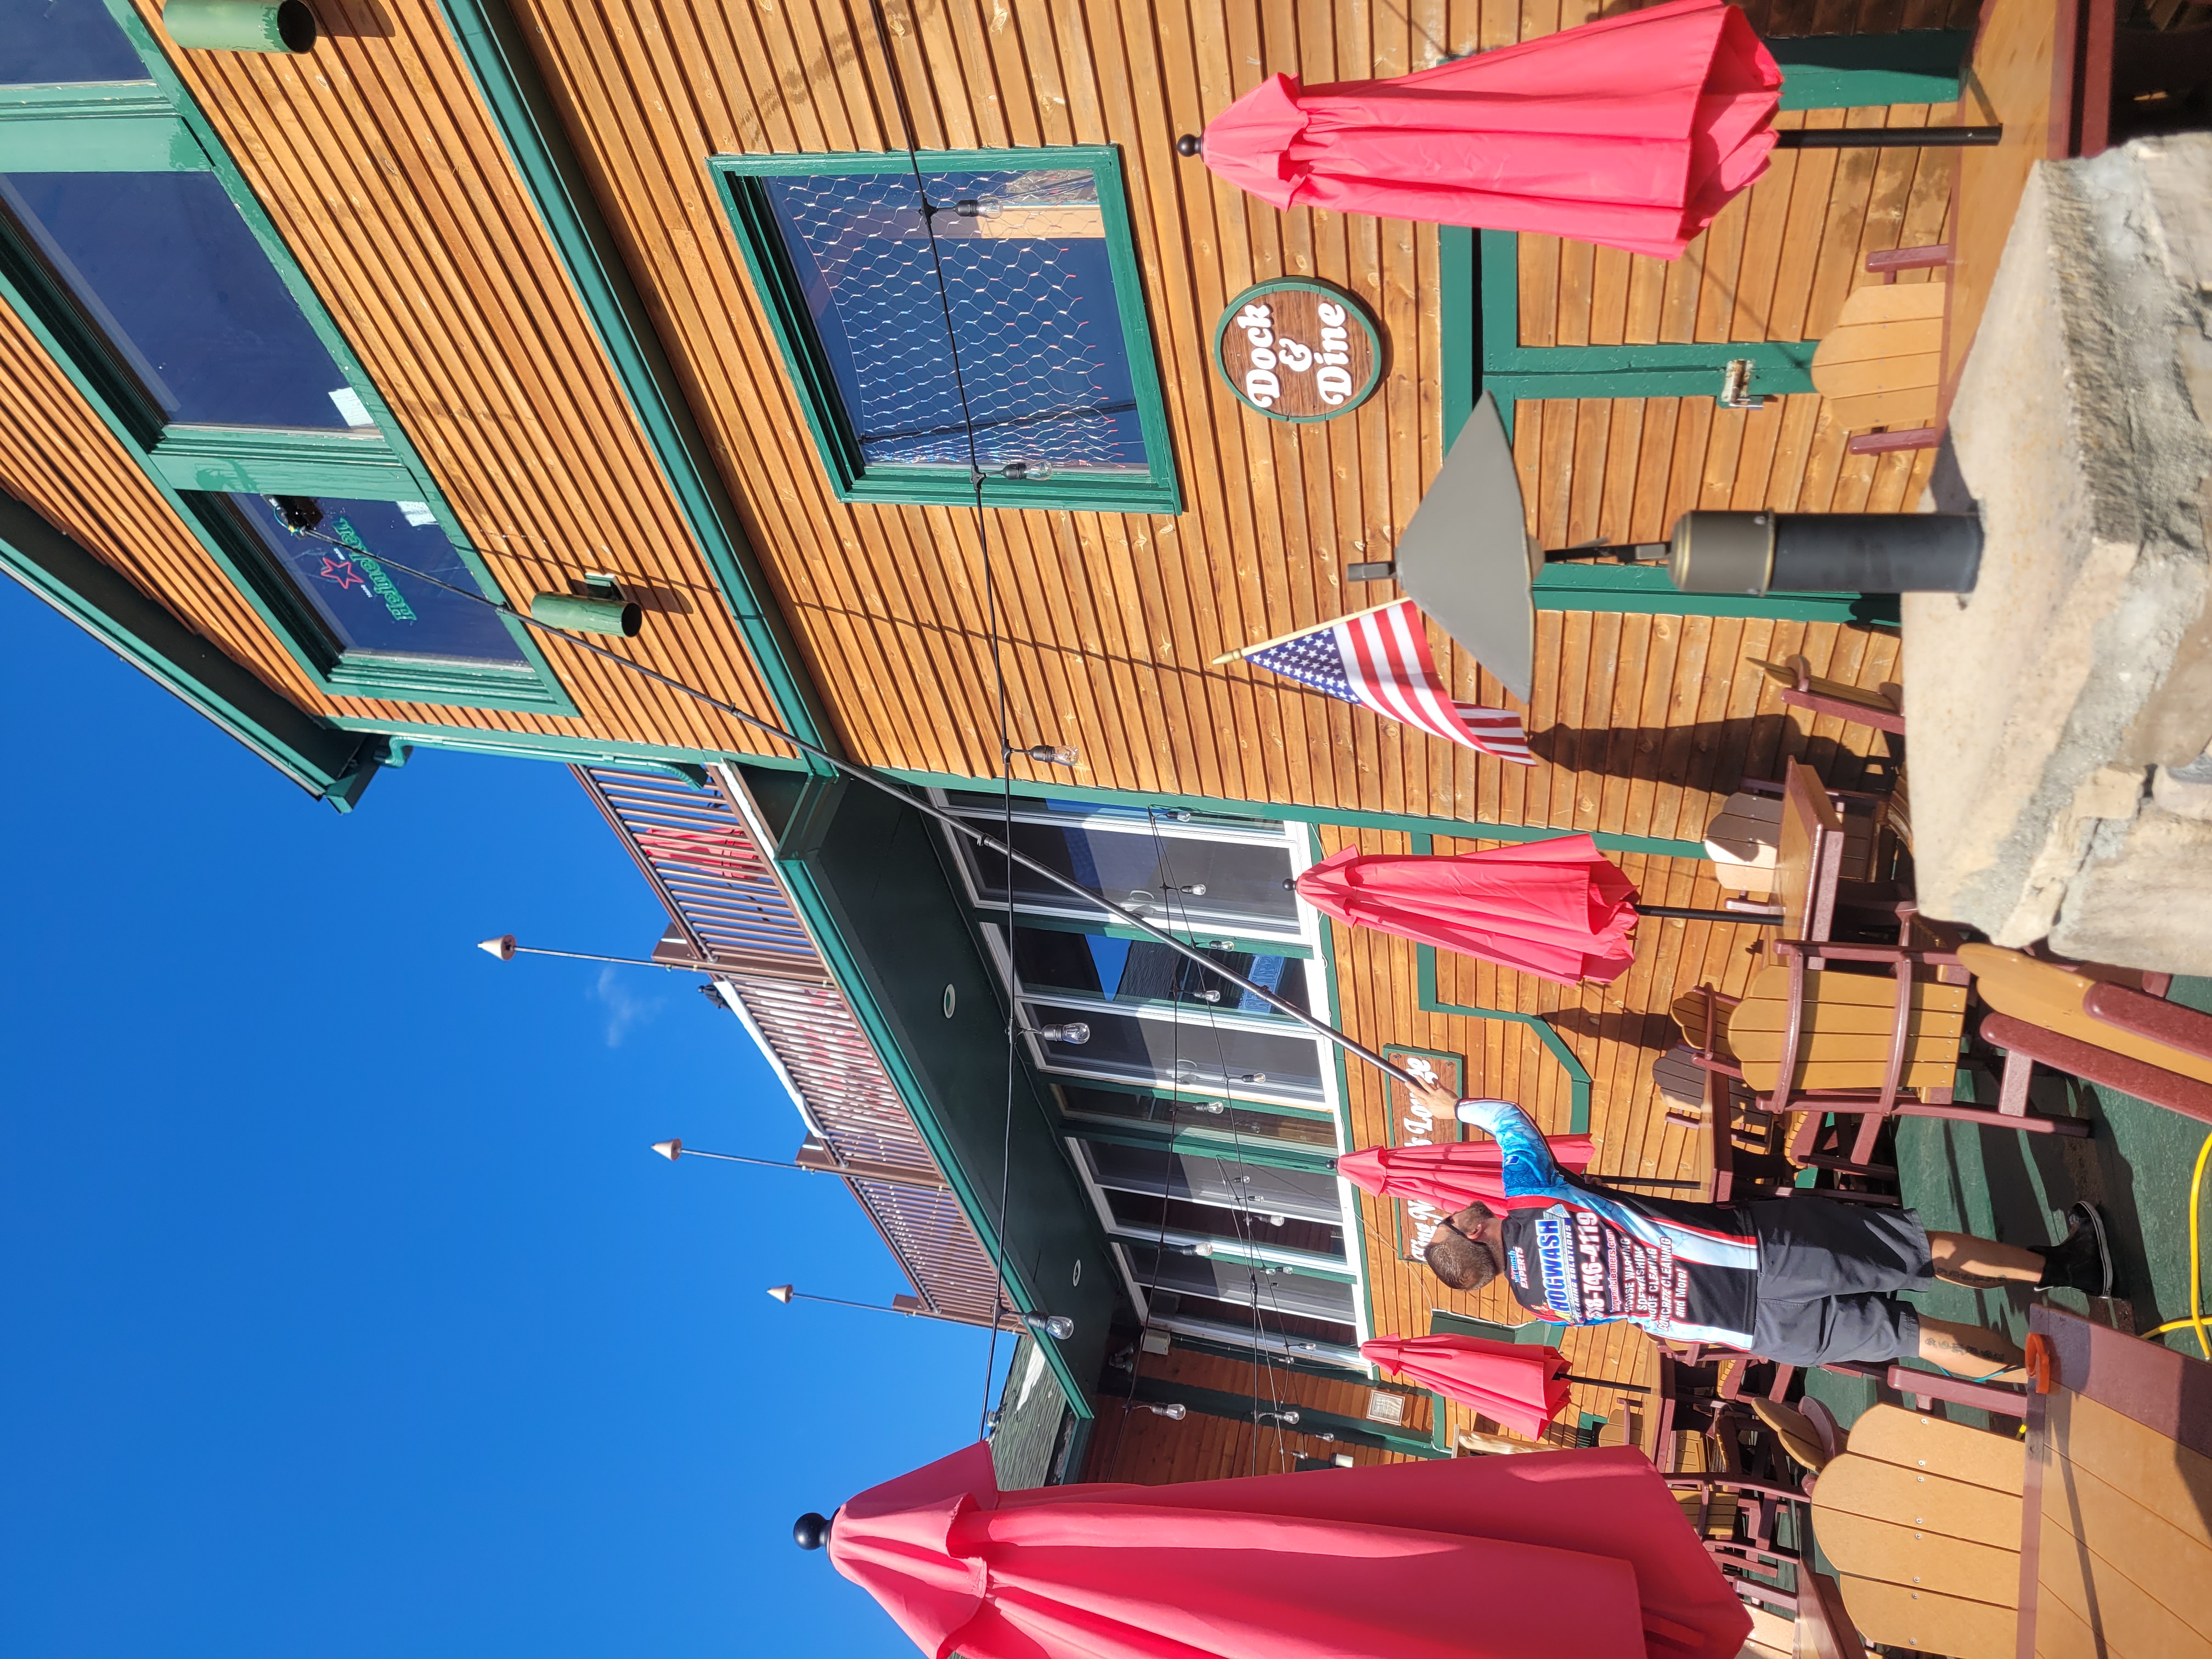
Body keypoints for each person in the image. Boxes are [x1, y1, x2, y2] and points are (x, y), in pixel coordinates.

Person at [1413, 1080, 2116, 1381]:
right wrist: (1454, 1109)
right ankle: (2069, 1268)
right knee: (1917, 1254)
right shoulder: (1530, 1199)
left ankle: (2053, 1377)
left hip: (1750, 1331)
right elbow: (1510, 1119)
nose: (1457, 1207)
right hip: (1763, 1256)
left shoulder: (1544, 1309)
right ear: (1474, 1233)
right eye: (1452, 1218)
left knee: (1914, 1337)